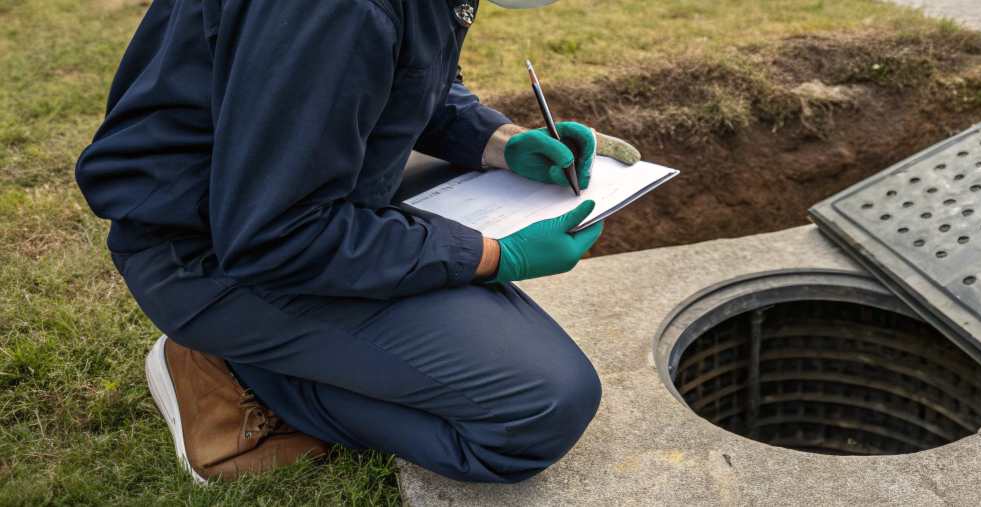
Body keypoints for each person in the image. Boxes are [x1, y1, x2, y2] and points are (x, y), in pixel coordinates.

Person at [74, 0, 637, 483]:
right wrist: (493, 256)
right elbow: (276, 233)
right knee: (540, 406)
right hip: (209, 255)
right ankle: (242, 369)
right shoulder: (337, 9)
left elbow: (397, 77)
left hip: (288, 204)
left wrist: (497, 141)